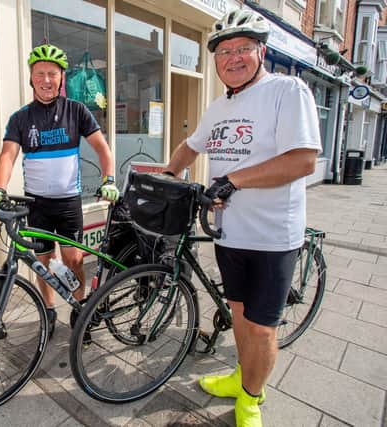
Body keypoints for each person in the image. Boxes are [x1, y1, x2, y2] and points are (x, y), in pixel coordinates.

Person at [164, 9, 321, 427]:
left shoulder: (287, 91)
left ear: (261, 51)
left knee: (262, 328)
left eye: (243, 49)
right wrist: (166, 175)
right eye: (225, 52)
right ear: (215, 61)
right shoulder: (218, 107)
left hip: (272, 237)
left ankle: (252, 397)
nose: (233, 58)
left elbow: (303, 161)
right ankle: (240, 376)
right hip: (229, 233)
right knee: (238, 318)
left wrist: (232, 180)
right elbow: (190, 145)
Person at [0, 43, 119, 339]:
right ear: (31, 78)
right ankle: (48, 310)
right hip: (37, 205)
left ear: (62, 78)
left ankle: (79, 308)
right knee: (42, 261)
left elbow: (102, 148)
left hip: (68, 204)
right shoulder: (21, 118)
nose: (46, 80)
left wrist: (109, 179)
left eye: (52, 73)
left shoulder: (77, 111)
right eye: (39, 74)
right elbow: (7, 156)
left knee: (74, 260)